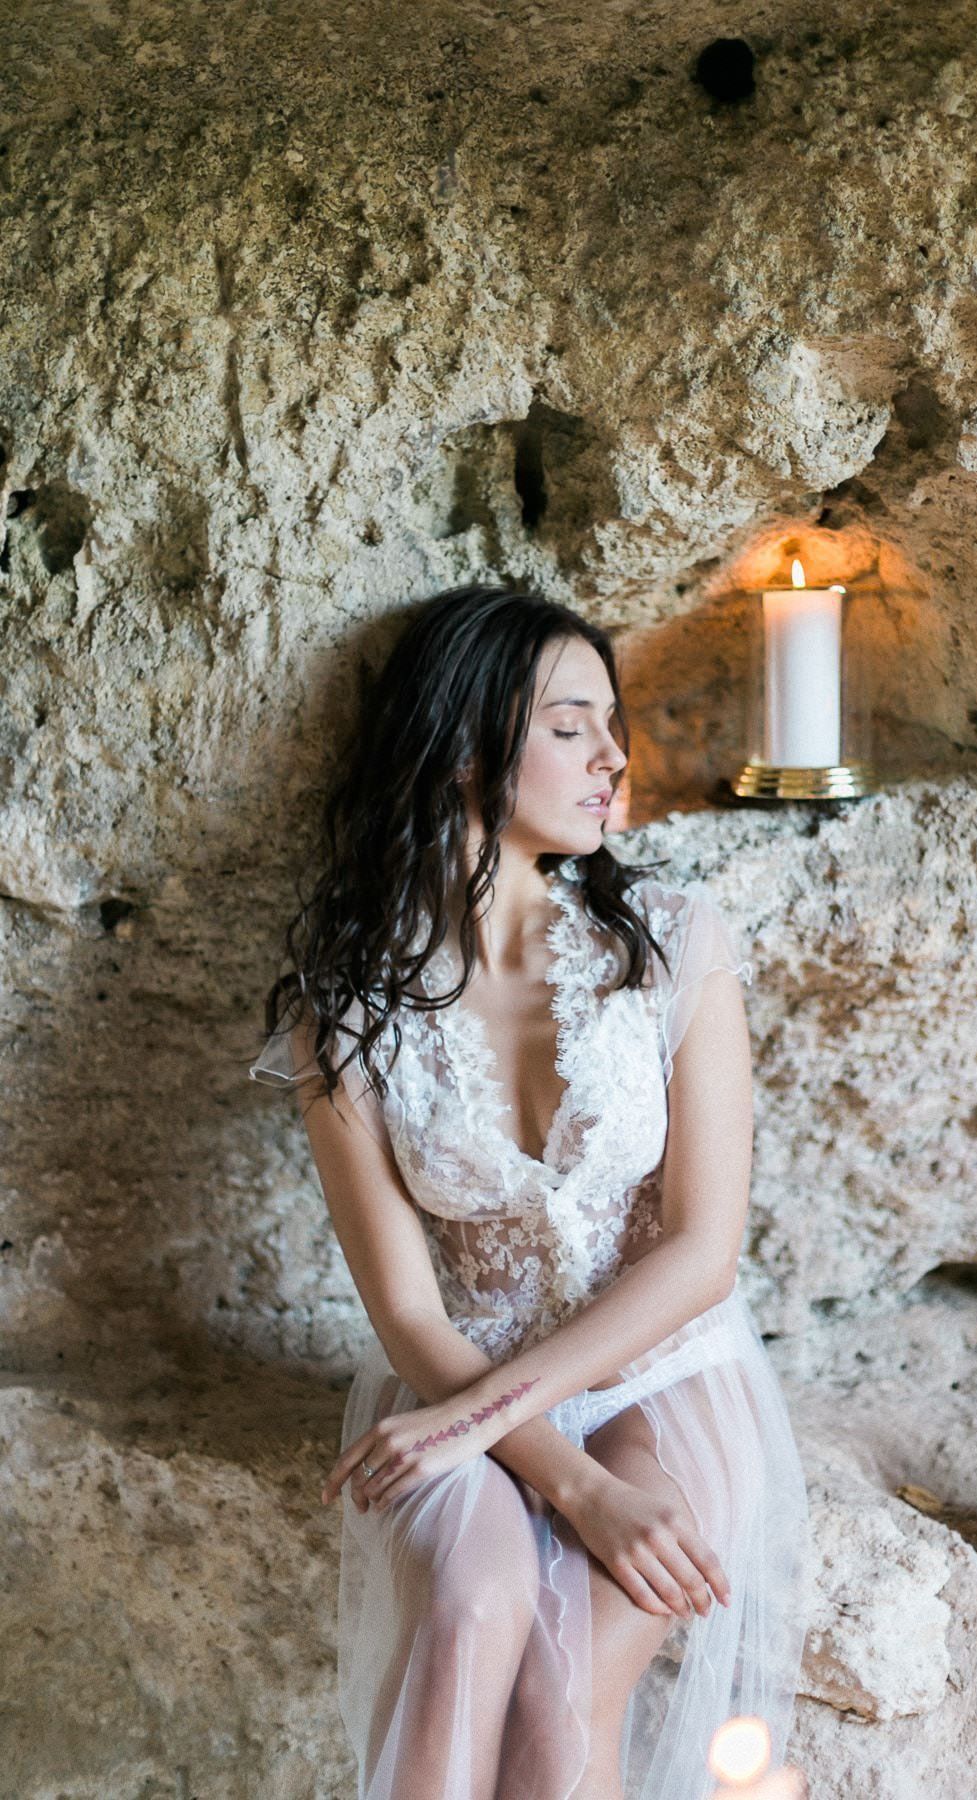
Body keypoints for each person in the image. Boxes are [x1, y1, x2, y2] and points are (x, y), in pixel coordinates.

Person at [249, 584, 808, 1800]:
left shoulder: (671, 944)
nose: (615, 756)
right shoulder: (344, 1012)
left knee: (559, 1695)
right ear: (463, 747)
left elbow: (703, 1250)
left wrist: (534, 1445)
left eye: (612, 721)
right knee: (470, 1614)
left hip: (670, 1370)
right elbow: (407, 1312)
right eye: (571, 724)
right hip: (463, 1368)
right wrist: (563, 1476)